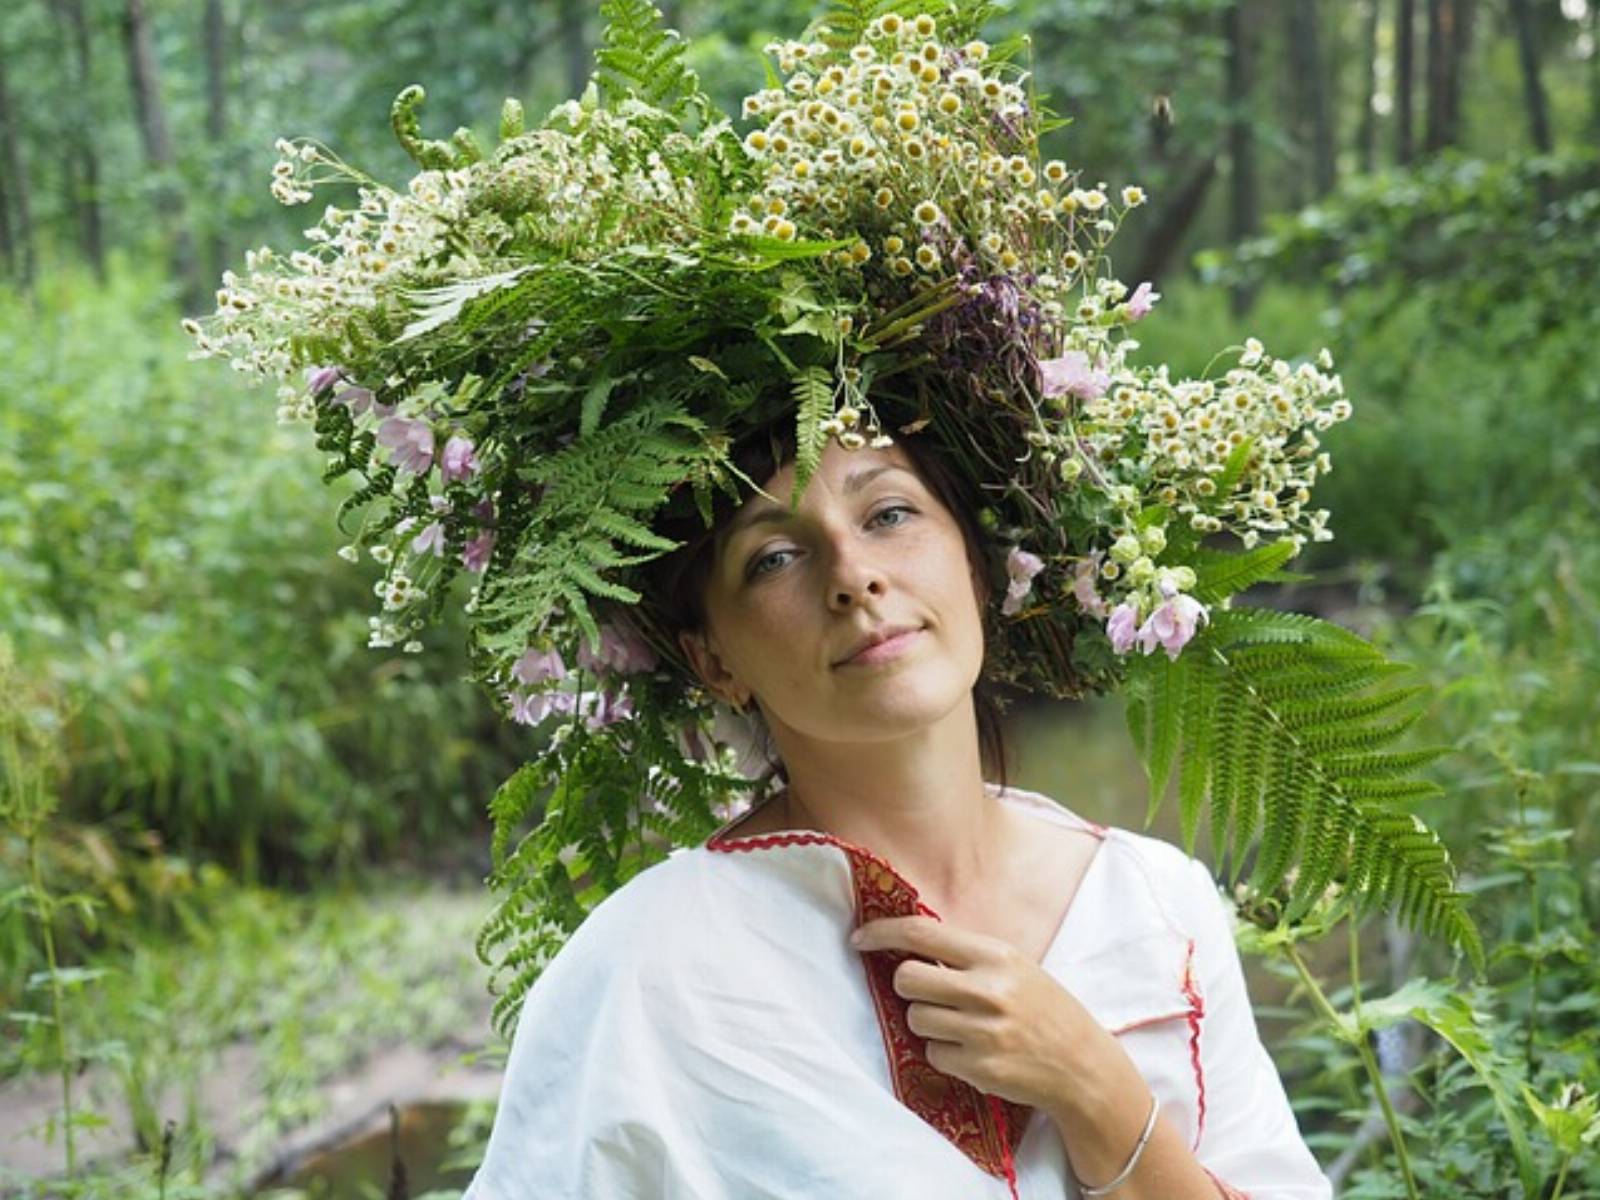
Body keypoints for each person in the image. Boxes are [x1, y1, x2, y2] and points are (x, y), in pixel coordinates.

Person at [462, 419, 1333, 1199]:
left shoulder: (1154, 903)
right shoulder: (645, 975)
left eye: (887, 514)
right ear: (715, 661)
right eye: (774, 558)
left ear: (977, 566)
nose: (854, 577)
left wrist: (1097, 1094)